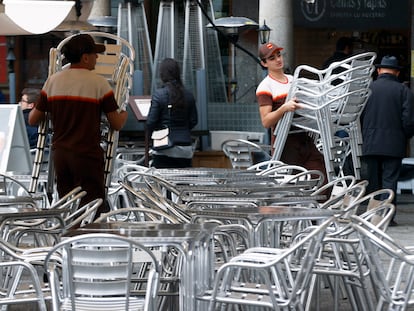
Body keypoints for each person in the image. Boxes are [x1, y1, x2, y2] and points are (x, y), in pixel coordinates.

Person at [29, 34, 128, 217]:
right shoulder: (99, 84)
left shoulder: (53, 81)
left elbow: (33, 119)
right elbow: (116, 123)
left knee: (69, 208)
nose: (97, 58)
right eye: (94, 54)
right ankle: (87, 244)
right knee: (91, 210)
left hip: (61, 156)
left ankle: (69, 243)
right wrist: (124, 113)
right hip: (87, 157)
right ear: (85, 57)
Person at [256, 42, 327, 180]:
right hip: (285, 143)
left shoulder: (294, 80)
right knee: (291, 187)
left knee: (322, 178)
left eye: (279, 55)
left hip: (305, 137)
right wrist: (284, 108)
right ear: (264, 63)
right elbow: (266, 121)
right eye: (272, 58)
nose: (278, 59)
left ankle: (315, 202)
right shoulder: (265, 86)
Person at [360, 55, 414, 226]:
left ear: (378, 70)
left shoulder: (367, 88)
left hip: (369, 143)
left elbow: (357, 117)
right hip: (394, 143)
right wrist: (404, 136)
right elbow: (409, 121)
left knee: (373, 181)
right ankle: (386, 217)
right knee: (390, 180)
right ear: (397, 73)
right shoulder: (404, 91)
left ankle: (373, 216)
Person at [146, 58, 198, 168]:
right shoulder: (188, 95)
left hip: (164, 147)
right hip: (185, 148)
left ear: (162, 74)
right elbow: (194, 121)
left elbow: (151, 122)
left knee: (162, 182)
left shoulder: (159, 95)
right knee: (183, 182)